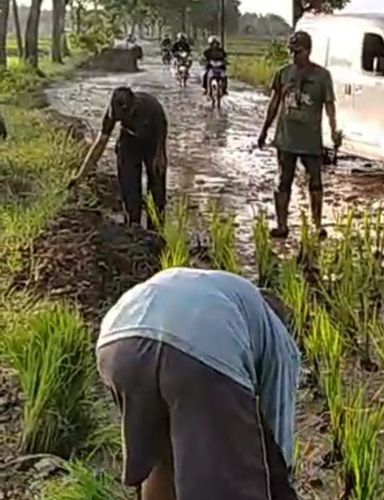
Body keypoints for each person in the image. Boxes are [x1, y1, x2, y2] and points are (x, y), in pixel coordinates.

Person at [96, 267, 300, 500]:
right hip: (198, 345)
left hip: (117, 342)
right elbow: (276, 419)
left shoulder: (226, 292)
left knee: (162, 456)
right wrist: (280, 478)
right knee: (231, 477)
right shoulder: (279, 338)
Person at [257, 30, 339, 240]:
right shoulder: (284, 73)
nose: (295, 56)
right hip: (286, 139)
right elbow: (274, 104)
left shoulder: (322, 76)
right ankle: (282, 225)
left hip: (310, 140)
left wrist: (333, 130)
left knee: (315, 183)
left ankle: (317, 225)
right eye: (292, 52)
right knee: (283, 181)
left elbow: (329, 106)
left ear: (308, 51)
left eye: (299, 52)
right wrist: (264, 130)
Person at [69, 87, 168, 229]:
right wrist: (80, 176)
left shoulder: (150, 107)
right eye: (119, 117)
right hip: (128, 142)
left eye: (125, 116)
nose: (122, 119)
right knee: (129, 190)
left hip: (153, 142)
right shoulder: (112, 113)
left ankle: (156, 231)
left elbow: (163, 129)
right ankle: (133, 227)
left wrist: (161, 154)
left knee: (157, 191)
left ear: (133, 107)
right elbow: (100, 144)